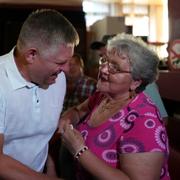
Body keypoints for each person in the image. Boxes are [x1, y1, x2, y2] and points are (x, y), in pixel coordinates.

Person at [59, 33, 170, 180]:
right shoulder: (103, 96)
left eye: (115, 68)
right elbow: (77, 111)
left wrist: (79, 151)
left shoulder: (144, 120)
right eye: (104, 61)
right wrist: (66, 120)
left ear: (135, 82)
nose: (103, 70)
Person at [0, 9, 79, 179]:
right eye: (60, 62)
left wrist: (50, 166)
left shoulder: (58, 79)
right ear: (31, 55)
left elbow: (42, 137)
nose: (66, 70)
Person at [90, 34, 168, 122]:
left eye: (114, 66)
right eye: (103, 59)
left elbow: (162, 119)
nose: (103, 69)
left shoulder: (145, 85)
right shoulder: (104, 94)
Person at [58, 53, 97, 179]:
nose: (71, 67)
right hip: (60, 127)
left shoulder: (92, 84)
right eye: (68, 64)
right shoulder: (58, 83)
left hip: (79, 134)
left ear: (82, 66)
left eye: (74, 64)